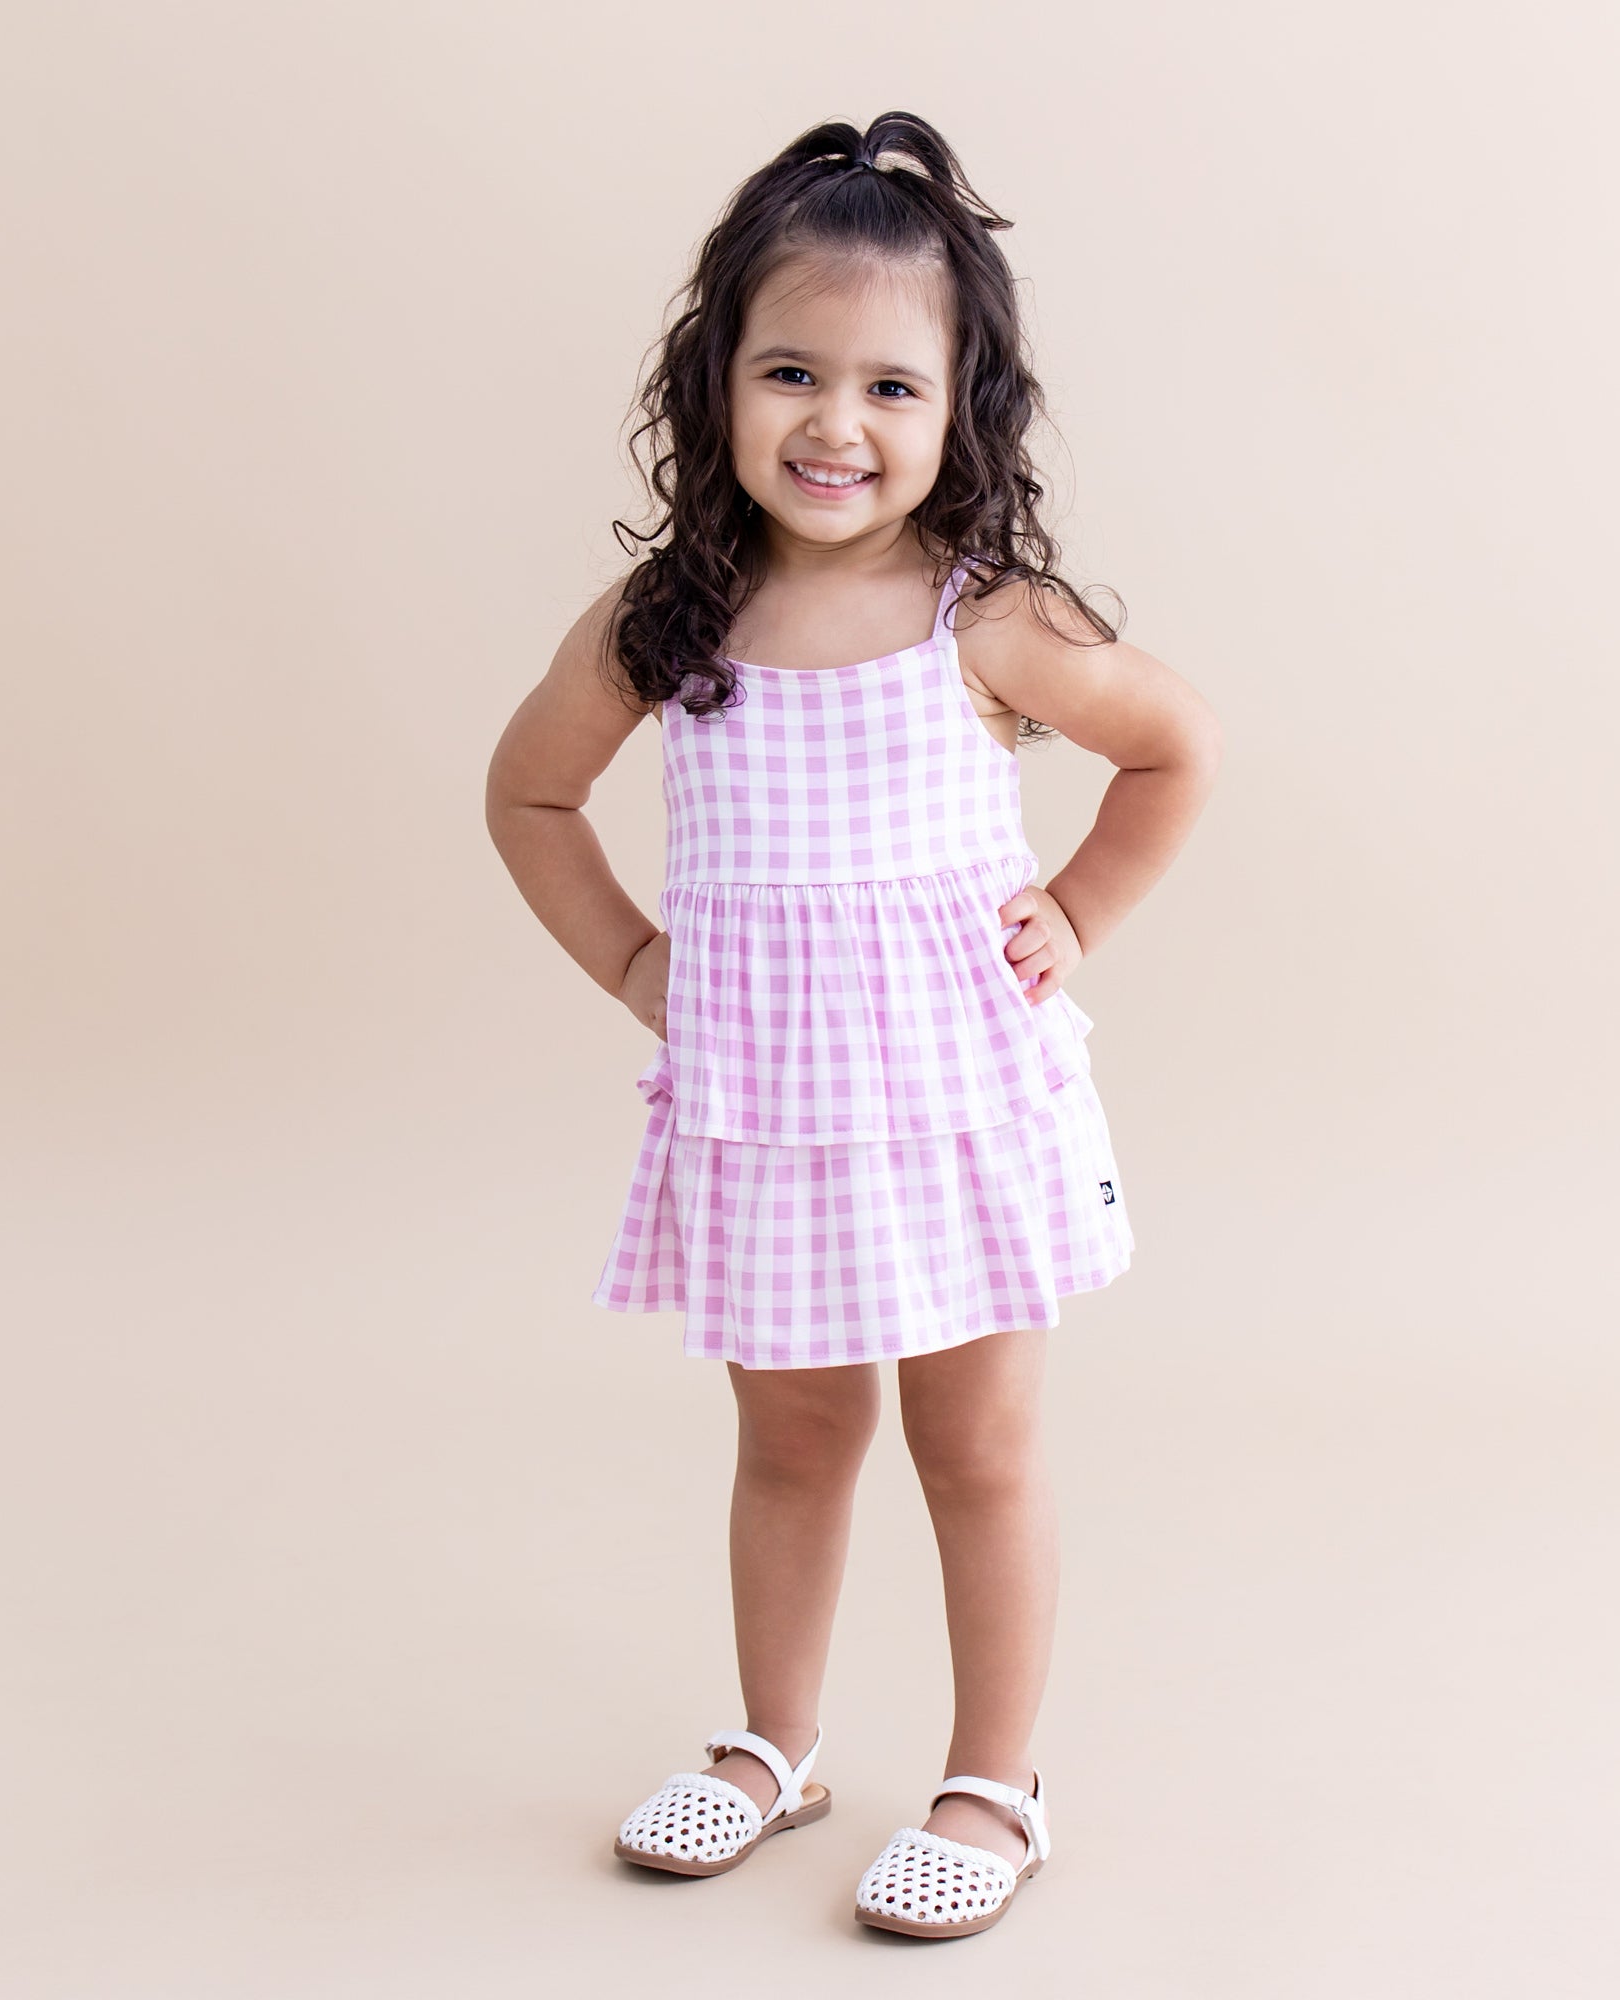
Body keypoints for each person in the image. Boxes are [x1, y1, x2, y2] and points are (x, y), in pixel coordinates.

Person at [484, 110, 1220, 1939]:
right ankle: (778, 1744)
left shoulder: (987, 621)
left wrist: (1077, 909)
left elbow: (1173, 746)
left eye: (892, 384)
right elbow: (527, 798)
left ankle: (995, 1781)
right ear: (715, 380)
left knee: (977, 1447)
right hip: (774, 1118)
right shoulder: (676, 622)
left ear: (961, 408)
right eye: (791, 371)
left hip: (960, 1103)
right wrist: (648, 970)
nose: (836, 423)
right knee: (794, 1441)